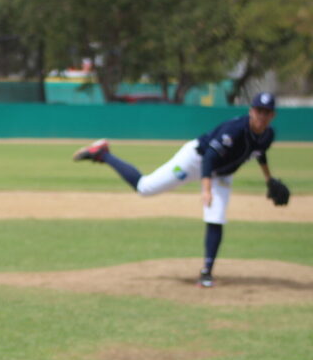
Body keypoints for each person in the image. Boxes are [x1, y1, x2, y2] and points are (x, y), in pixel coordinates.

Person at [72, 92, 282, 287]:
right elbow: (209, 157)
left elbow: (259, 152)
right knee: (145, 188)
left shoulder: (268, 135)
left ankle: (206, 272)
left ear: (272, 115)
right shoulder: (235, 130)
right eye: (258, 111)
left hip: (222, 174)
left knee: (216, 216)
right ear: (251, 111)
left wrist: (269, 179)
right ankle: (103, 154)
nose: (262, 116)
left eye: (266, 112)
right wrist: (206, 189)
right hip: (195, 160)